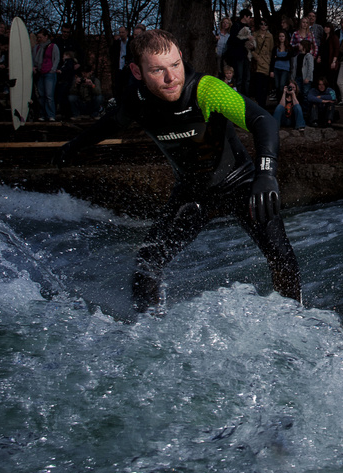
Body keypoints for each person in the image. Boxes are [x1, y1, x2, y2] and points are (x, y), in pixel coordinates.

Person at [58, 29, 301, 312]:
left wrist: (266, 173)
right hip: (192, 193)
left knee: (280, 255)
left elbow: (262, 120)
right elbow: (110, 124)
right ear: (137, 71)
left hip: (241, 183)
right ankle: (146, 329)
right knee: (146, 264)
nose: (171, 77)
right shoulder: (136, 101)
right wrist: (73, 146)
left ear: (182, 58)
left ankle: (294, 319)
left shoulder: (206, 89)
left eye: (175, 65)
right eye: (158, 70)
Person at [32, 28, 60, 121]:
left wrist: (53, 69)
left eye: (40, 37)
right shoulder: (37, 47)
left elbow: (56, 58)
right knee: (41, 95)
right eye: (38, 37)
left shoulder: (53, 46)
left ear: (46, 36)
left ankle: (51, 115)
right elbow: (33, 58)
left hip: (49, 73)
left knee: (49, 95)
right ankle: (42, 114)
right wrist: (34, 67)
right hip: (40, 72)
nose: (39, 39)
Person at [251, 18, 274, 108]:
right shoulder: (255, 35)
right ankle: (259, 103)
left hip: (267, 61)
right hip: (258, 61)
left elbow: (271, 49)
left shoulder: (270, 36)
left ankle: (263, 104)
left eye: (265, 24)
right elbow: (251, 48)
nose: (263, 26)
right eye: (262, 24)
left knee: (265, 85)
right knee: (258, 84)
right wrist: (256, 57)